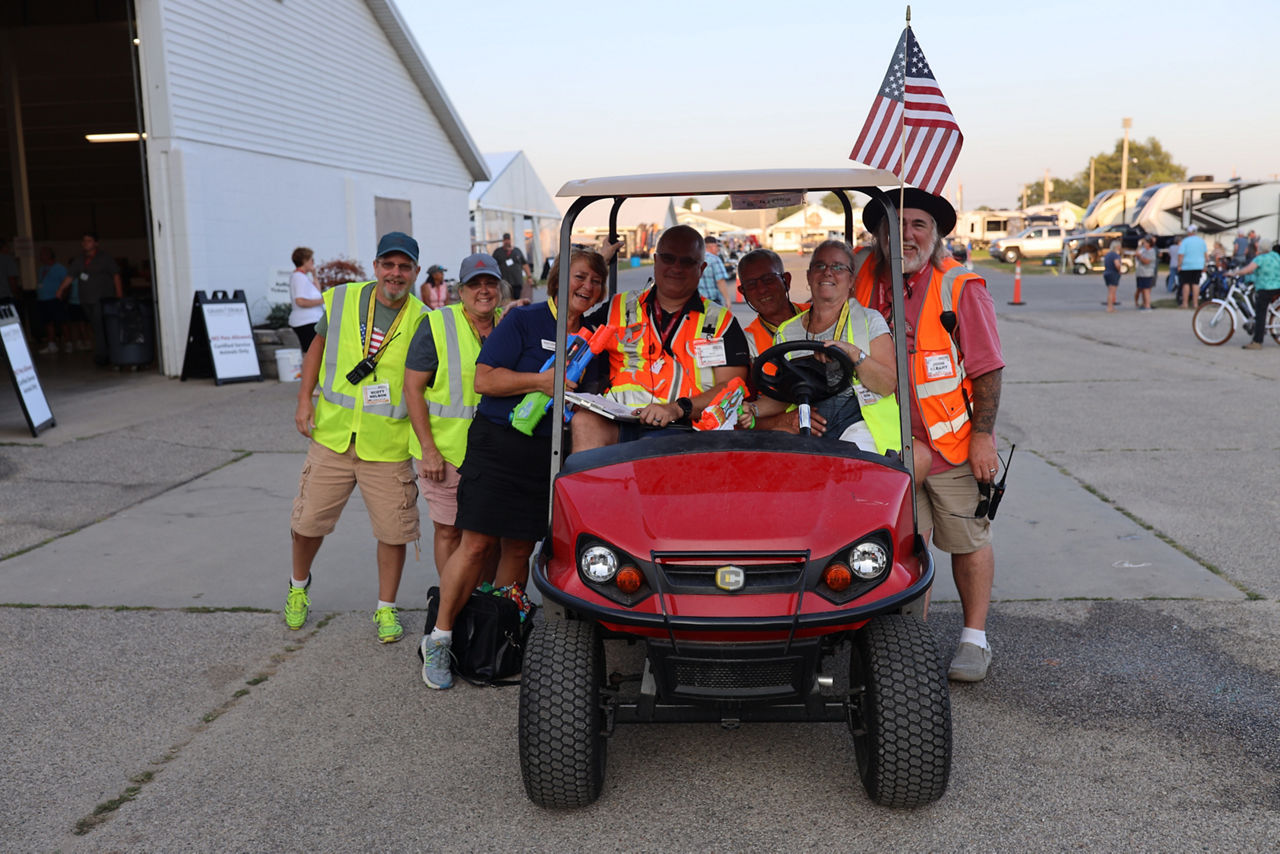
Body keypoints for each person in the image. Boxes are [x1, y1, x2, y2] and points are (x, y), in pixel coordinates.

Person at [420, 246, 609, 690]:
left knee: (520, 551)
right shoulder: (524, 321)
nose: (586, 287)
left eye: (595, 281)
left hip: (545, 455)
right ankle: (440, 638)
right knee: (477, 545)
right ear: (560, 278)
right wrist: (542, 381)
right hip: (498, 443)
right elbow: (484, 379)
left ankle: (497, 638)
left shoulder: (596, 338)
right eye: (579, 277)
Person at [859, 188, 1005, 683]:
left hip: (952, 446)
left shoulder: (960, 286)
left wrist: (983, 437)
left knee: (966, 540)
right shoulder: (864, 279)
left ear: (936, 233)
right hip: (888, 444)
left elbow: (986, 368)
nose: (905, 233)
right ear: (877, 235)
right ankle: (910, 648)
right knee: (907, 547)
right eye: (894, 224)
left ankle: (974, 640)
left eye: (917, 224)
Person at [286, 231, 428, 644]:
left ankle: (386, 609)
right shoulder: (345, 299)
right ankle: (298, 588)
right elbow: (317, 347)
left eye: (405, 267)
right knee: (307, 523)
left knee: (393, 532)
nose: (395, 273)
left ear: (415, 272)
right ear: (376, 266)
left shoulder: (422, 319)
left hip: (386, 445)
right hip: (332, 437)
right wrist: (304, 400)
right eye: (389, 264)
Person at [570, 225, 751, 451]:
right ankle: (590, 487)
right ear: (655, 260)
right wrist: (597, 263)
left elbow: (732, 388)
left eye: (686, 262)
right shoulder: (617, 307)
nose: (676, 267)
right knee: (583, 421)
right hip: (620, 419)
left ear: (702, 268)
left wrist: (677, 408)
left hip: (687, 427)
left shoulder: (721, 321)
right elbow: (570, 324)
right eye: (668, 258)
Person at [747, 239, 900, 455]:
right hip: (807, 421)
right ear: (809, 277)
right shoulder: (786, 331)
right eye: (820, 266)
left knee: (850, 468)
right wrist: (751, 409)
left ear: (851, 280)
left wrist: (853, 354)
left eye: (838, 267)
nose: (828, 272)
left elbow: (886, 384)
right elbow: (783, 395)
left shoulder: (870, 320)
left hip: (859, 422)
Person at [404, 254, 504, 577]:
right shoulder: (436, 324)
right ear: (461, 291)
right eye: (475, 284)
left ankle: (483, 604)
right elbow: (412, 389)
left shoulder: (509, 325)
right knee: (450, 532)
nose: (484, 291)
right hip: (446, 455)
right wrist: (429, 451)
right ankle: (452, 606)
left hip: (495, 456)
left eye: (491, 283)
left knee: (490, 535)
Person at [57, 233, 122, 364]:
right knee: (95, 326)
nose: (86, 243)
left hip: (102, 299)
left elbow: (116, 275)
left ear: (96, 243)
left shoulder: (105, 258)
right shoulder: (79, 260)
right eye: (84, 241)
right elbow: (71, 276)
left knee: (99, 325)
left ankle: (102, 355)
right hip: (86, 300)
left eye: (89, 241)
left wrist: (119, 294)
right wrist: (61, 289)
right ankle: (105, 352)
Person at [737, 248, 806, 359]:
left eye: (768, 279)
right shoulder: (747, 341)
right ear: (743, 292)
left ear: (786, 281)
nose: (761, 289)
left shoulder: (819, 315)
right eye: (751, 285)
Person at [1231, 243, 1280, 350]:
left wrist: (1235, 273)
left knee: (1260, 314)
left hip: (1265, 288)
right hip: (1277, 287)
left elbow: (1248, 269)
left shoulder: (1260, 258)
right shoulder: (1276, 256)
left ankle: (1257, 341)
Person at [287, 247, 323, 352]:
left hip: (311, 320)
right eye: (311, 260)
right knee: (313, 353)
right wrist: (322, 301)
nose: (313, 262)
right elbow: (300, 301)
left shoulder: (303, 277)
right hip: (306, 322)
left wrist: (314, 275)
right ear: (304, 261)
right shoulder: (298, 277)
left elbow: (317, 292)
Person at [35, 247, 69, 353]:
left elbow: (67, 283)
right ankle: (51, 344)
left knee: (62, 321)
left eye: (43, 254)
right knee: (48, 322)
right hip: (43, 299)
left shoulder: (60, 268)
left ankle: (68, 343)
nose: (40, 257)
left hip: (55, 298)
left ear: (49, 255)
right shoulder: (41, 269)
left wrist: (64, 295)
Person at [491, 232, 530, 301]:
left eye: (508, 240)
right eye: (505, 240)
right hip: (504, 282)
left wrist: (529, 276)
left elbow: (524, 264)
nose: (507, 241)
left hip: (516, 281)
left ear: (510, 240)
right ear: (503, 241)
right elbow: (492, 266)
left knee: (516, 299)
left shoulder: (517, 251)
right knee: (505, 300)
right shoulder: (498, 252)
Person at [1178, 226, 1208, 310]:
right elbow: (1205, 254)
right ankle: (1195, 303)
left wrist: (1179, 265)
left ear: (1189, 232)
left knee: (1186, 284)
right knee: (1196, 284)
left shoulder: (1185, 241)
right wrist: (1205, 265)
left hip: (1186, 265)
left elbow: (1181, 254)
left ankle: (1185, 303)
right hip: (1198, 265)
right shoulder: (1201, 241)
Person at [699, 235, 732, 306]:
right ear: (712, 246)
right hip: (711, 301)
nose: (718, 249)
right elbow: (720, 281)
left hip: (695, 301)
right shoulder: (714, 259)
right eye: (717, 247)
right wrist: (727, 299)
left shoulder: (694, 258)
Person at [1134, 237, 1156, 311]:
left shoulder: (1151, 251)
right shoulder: (1143, 250)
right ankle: (1143, 303)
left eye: (1146, 242)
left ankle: (1147, 305)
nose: (1144, 244)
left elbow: (1146, 261)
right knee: (1141, 289)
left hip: (1147, 273)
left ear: (1150, 244)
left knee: (1146, 289)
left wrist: (1140, 257)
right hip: (1140, 273)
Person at [1102, 240, 1122, 312]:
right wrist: (1119, 270)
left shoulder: (1108, 254)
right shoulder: (1115, 255)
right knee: (1112, 292)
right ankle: (1110, 307)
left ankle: (1111, 306)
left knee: (1110, 291)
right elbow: (1117, 264)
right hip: (1113, 273)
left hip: (1107, 273)